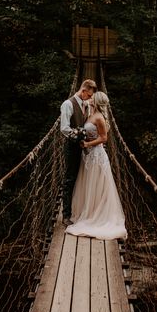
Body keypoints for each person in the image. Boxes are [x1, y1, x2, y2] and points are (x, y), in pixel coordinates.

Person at [66, 91, 127, 241]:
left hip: (96, 156)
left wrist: (87, 143)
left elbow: (104, 138)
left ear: (97, 101)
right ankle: (89, 212)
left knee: (97, 185)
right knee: (89, 185)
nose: (90, 97)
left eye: (93, 97)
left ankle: (96, 216)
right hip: (87, 156)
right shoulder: (90, 113)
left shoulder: (99, 117)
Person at [60, 79, 97, 224]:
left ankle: (78, 209)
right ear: (83, 91)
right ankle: (66, 216)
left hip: (81, 146)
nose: (89, 98)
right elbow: (64, 128)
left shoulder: (84, 104)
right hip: (71, 148)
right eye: (88, 95)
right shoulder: (68, 104)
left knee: (79, 178)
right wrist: (81, 134)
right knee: (69, 179)